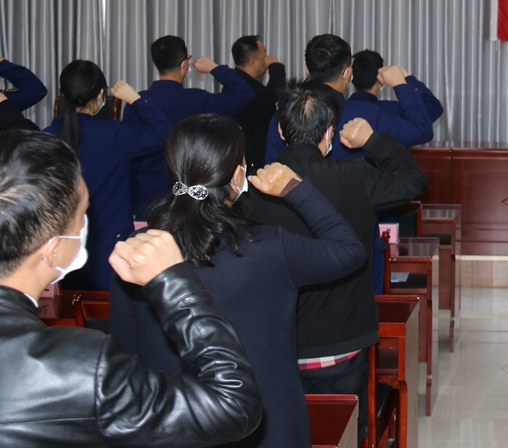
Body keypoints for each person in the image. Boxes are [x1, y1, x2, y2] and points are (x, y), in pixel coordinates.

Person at [110, 114, 365, 448]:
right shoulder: (269, 247)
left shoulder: (139, 249)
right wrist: (296, 189)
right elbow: (349, 250)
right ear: (236, 175)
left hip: (173, 427)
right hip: (265, 428)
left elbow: (126, 351)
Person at [0, 131, 263, 447]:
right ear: (53, 250)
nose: (87, 224)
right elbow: (234, 406)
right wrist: (173, 280)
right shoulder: (78, 368)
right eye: (83, 213)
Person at [244, 81, 429, 441]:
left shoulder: (256, 185)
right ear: (329, 133)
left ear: (280, 131)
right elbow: (413, 181)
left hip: (276, 347)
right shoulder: (352, 176)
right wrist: (373, 141)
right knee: (345, 431)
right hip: (342, 342)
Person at [43, 60, 171, 289]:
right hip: (111, 252)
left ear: (62, 95)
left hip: (60, 254)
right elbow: (163, 132)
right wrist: (135, 99)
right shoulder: (114, 134)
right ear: (100, 95)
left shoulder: (46, 138)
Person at [125, 35, 256, 217]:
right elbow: (245, 94)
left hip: (146, 200)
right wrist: (214, 68)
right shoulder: (196, 99)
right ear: (185, 65)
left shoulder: (136, 103)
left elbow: (129, 158)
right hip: (194, 203)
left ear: (155, 65)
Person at [265, 34, 433, 163]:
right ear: (347, 73)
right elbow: (421, 130)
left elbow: (273, 168)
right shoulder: (366, 114)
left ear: (307, 69)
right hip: (356, 199)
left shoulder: (284, 115)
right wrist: (401, 85)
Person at [231, 35, 287, 172]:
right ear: (252, 62)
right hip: (250, 161)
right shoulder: (244, 87)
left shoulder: (236, 81)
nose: (266, 59)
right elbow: (274, 94)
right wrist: (275, 66)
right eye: (264, 54)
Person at [351, 49, 444, 124]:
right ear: (380, 78)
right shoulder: (395, 111)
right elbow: (434, 108)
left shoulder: (344, 109)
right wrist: (407, 79)